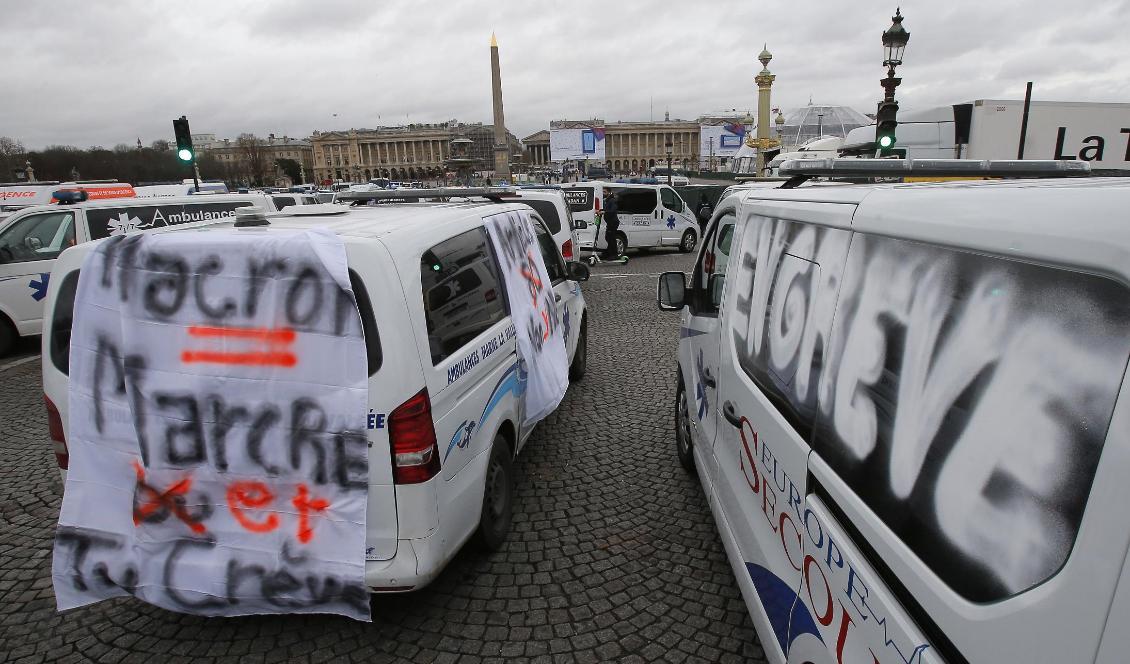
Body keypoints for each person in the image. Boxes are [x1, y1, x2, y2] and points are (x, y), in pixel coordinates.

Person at [602, 189, 621, 260]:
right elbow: (606, 209)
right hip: (609, 222)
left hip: (613, 222)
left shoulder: (612, 200)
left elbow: (613, 210)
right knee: (608, 237)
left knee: (611, 238)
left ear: (609, 193)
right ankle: (608, 252)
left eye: (605, 192)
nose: (603, 193)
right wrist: (600, 211)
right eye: (603, 192)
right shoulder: (607, 200)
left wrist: (604, 212)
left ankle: (614, 254)